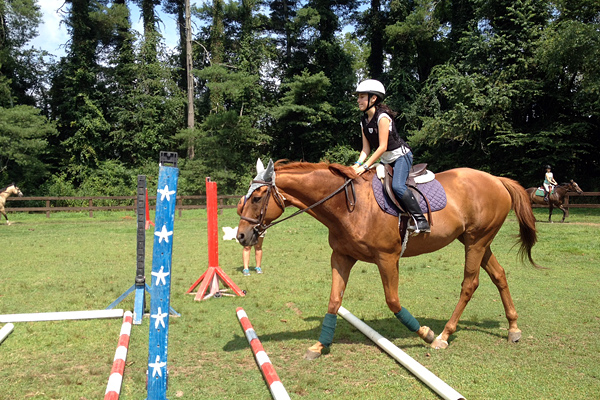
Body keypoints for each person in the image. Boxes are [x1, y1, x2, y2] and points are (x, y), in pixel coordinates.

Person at [352, 79, 430, 233]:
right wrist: (357, 165)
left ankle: (421, 220)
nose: (358, 100)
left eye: (362, 96)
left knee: (397, 186)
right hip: (386, 160)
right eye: (358, 97)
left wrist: (366, 166)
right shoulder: (364, 121)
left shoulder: (383, 117)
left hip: (401, 157)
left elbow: (382, 147)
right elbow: (365, 150)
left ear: (373, 98)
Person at [237, 196, 265, 275]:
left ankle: (258, 267)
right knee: (247, 247)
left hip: (259, 225)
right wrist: (247, 219)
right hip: (247, 226)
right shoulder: (244, 199)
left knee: (258, 246)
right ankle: (246, 268)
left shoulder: (262, 199)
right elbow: (239, 211)